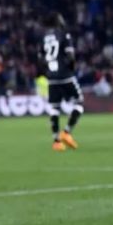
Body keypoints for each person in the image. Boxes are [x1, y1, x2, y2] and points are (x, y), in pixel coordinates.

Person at [41, 13, 84, 151]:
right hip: (65, 75)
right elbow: (70, 56)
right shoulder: (64, 34)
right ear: (58, 21)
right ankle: (66, 132)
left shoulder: (44, 38)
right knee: (79, 102)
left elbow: (41, 58)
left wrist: (48, 72)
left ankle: (56, 142)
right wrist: (71, 69)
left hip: (51, 77)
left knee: (55, 108)